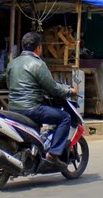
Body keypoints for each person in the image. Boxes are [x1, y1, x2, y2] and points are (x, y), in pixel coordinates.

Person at [7, 31, 77, 169]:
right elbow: (52, 88)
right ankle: (54, 154)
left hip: (13, 108)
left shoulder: (12, 63)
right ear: (38, 48)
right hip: (31, 108)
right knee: (65, 118)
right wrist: (69, 91)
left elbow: (9, 84)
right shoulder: (39, 64)